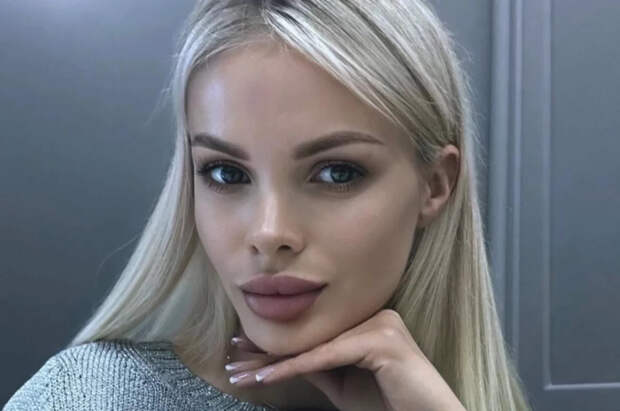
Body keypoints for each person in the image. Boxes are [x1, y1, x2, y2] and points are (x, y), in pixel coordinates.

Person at [4, 0, 532, 410]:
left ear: (435, 185)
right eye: (226, 173)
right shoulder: (84, 398)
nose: (269, 231)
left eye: (336, 173)